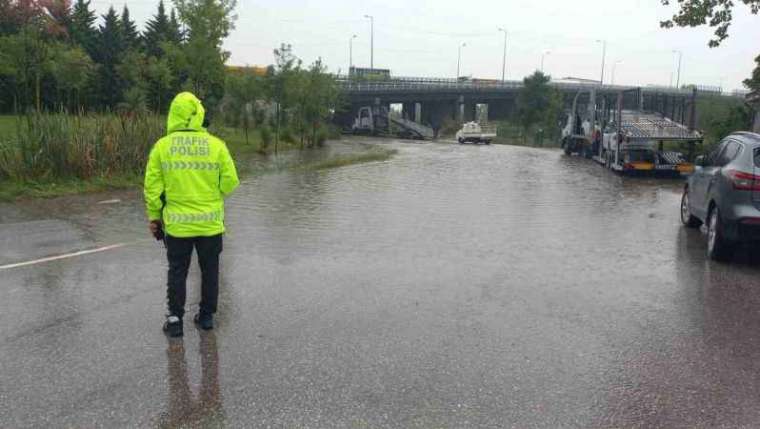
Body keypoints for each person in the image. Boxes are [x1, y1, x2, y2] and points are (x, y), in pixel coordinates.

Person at [144, 92, 239, 337]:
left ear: (173, 115)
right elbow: (231, 182)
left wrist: (155, 217)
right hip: (210, 226)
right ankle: (206, 317)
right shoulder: (217, 146)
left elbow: (152, 188)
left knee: (177, 270)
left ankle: (175, 320)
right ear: (199, 114)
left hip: (177, 226)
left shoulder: (162, 147)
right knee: (210, 270)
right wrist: (210, 194)